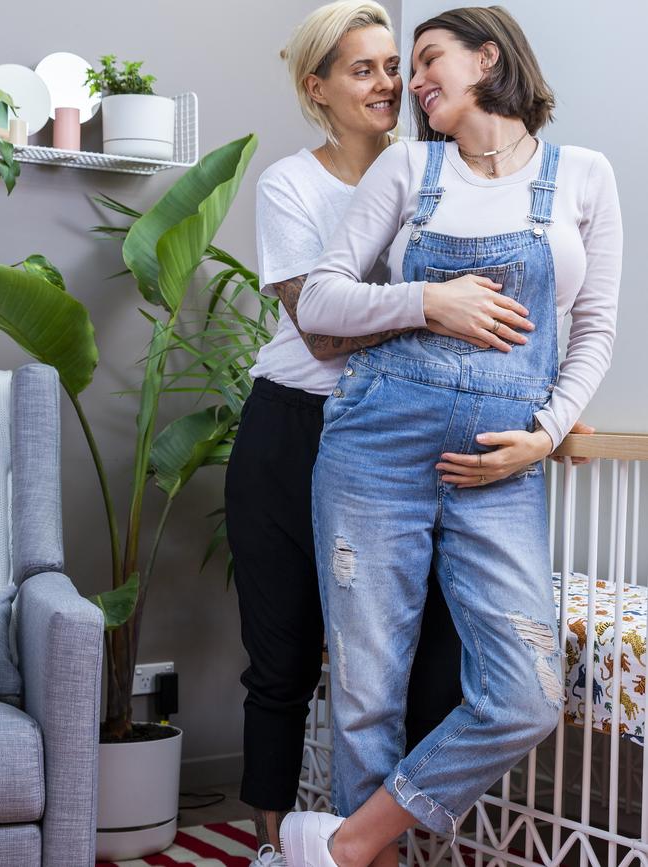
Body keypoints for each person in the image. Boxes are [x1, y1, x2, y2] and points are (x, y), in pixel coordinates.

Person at [279, 6, 623, 867]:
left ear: (489, 59)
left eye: (429, 60)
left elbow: (596, 329)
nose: (412, 81)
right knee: (366, 694)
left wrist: (544, 436)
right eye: (408, 64)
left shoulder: (582, 175)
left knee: (525, 694)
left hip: (499, 465)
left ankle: (342, 843)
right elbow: (318, 301)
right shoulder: (407, 167)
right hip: (374, 447)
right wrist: (428, 300)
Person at [224, 2, 531, 862]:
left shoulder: (436, 170)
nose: (391, 85)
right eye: (364, 71)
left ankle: (356, 840)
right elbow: (321, 333)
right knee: (283, 662)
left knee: (431, 660)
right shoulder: (293, 184)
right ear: (317, 90)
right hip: (296, 428)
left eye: (396, 66)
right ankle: (275, 845)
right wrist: (431, 305)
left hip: (399, 432)